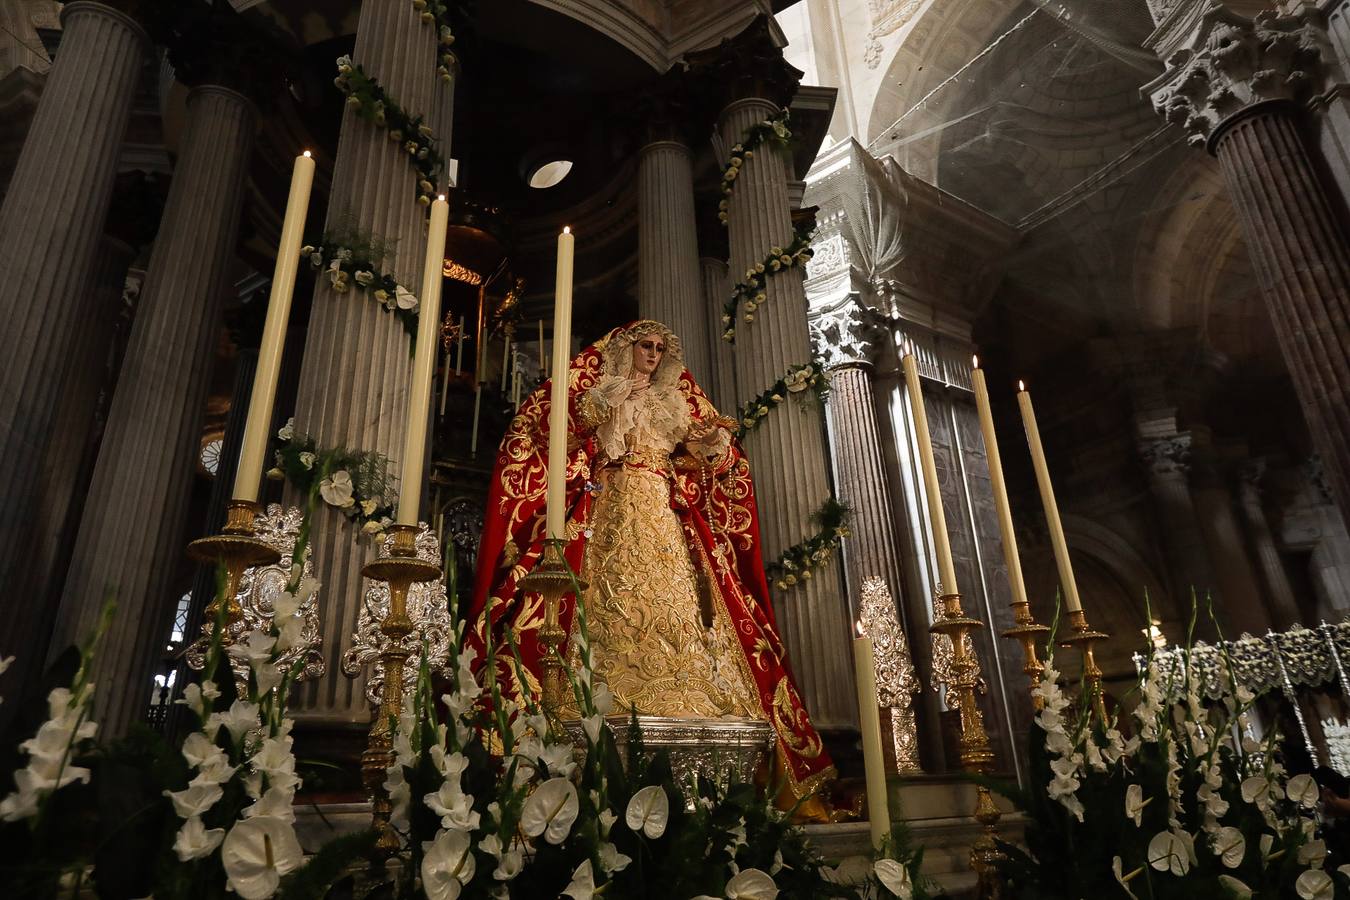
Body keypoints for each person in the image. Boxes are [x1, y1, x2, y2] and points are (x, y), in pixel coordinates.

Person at [468, 320, 836, 810]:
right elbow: (560, 431)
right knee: (602, 602)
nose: (653, 354)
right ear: (627, 348)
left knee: (686, 611)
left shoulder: (674, 401)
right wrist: (599, 409)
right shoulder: (606, 390)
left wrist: (710, 444)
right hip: (610, 503)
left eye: (661, 348)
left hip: (664, 510)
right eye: (646, 345)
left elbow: (712, 460)